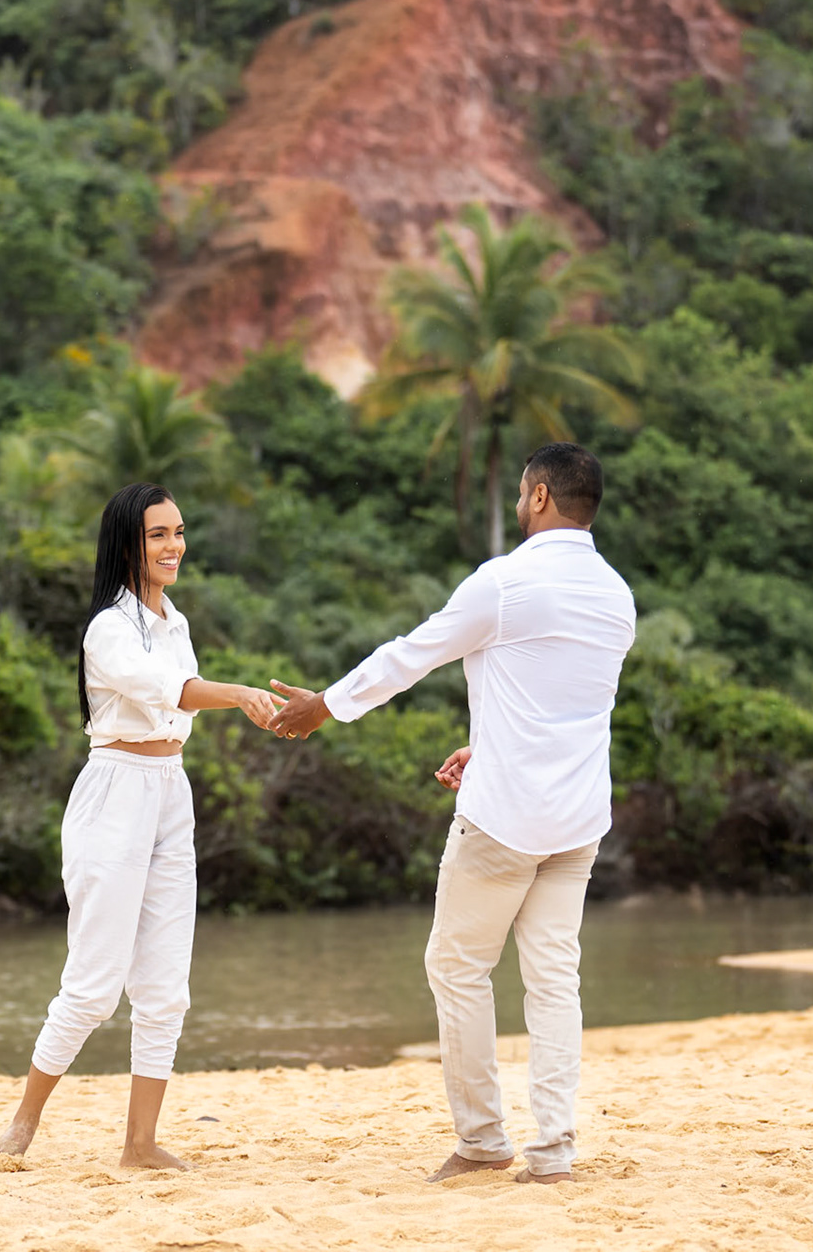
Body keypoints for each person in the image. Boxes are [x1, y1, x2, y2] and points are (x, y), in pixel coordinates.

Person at [270, 442, 636, 1185]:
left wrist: (326, 707)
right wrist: (485, 746)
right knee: (553, 979)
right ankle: (556, 1151)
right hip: (577, 821)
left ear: (537, 497)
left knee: (458, 966)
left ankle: (481, 1141)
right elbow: (568, 705)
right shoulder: (617, 594)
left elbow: (414, 653)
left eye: (522, 493)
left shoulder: (505, 583)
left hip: (503, 821)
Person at [0, 482, 284, 1169]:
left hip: (169, 794)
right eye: (159, 535)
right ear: (129, 543)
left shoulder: (174, 622)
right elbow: (169, 690)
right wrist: (239, 693)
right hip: (114, 796)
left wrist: (247, 700)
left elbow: (178, 697)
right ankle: (24, 1122)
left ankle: (140, 1144)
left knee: (166, 988)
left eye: (179, 532)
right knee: (93, 985)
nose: (175, 545)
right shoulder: (107, 628)